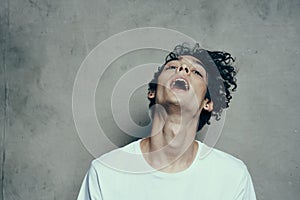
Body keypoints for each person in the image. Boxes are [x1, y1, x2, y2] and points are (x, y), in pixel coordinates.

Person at [77, 43, 256, 200]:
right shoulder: (105, 172)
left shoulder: (232, 176)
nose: (183, 70)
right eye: (172, 67)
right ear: (152, 92)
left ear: (207, 103)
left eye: (196, 72)